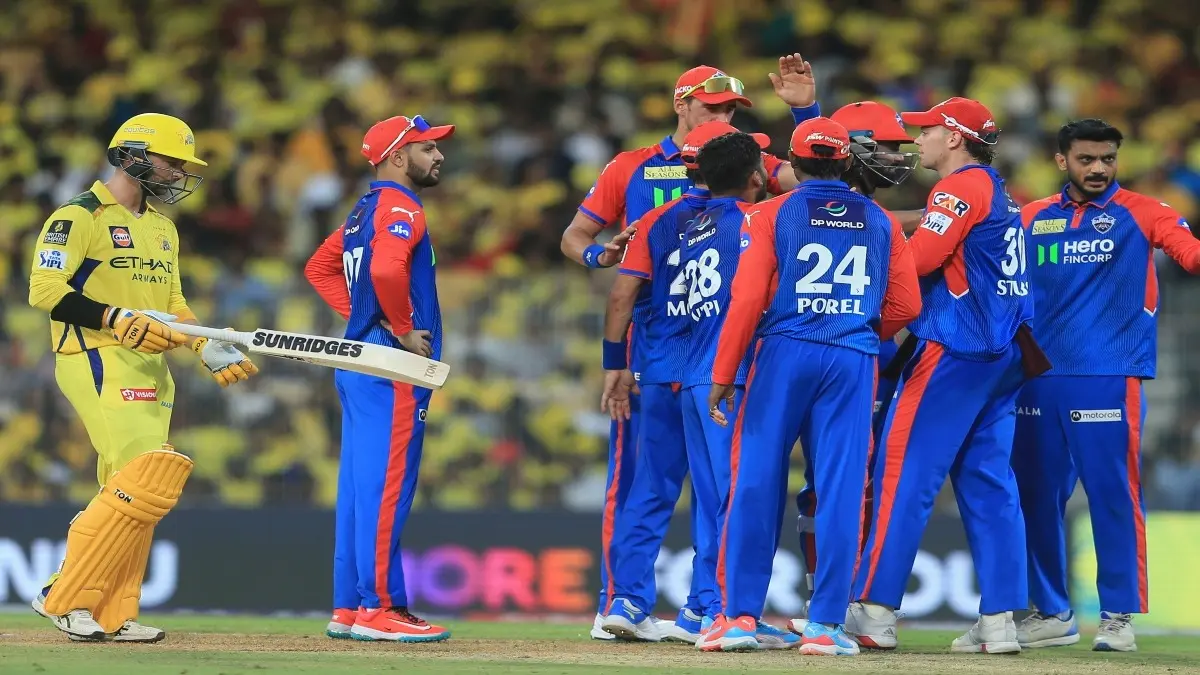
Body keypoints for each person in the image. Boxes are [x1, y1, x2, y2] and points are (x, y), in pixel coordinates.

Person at [565, 55, 820, 640]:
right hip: (704, 361)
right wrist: (597, 255)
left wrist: (807, 111)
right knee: (696, 487)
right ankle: (674, 605)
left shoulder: (662, 216)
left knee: (655, 486)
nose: (727, 116)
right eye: (715, 106)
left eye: (733, 108)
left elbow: (819, 176)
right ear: (682, 103)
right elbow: (826, 195)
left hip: (656, 356)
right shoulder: (635, 169)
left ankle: (649, 605)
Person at [28, 113, 259, 643]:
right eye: (172, 161)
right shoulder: (76, 216)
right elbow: (44, 292)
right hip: (96, 353)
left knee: (137, 488)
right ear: (130, 155)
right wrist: (115, 318)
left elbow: (171, 304)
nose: (180, 174)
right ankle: (63, 593)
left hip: (153, 365)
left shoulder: (162, 228)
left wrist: (206, 343)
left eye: (183, 165)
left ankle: (114, 610)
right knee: (142, 477)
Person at [703, 118, 921, 654]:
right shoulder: (881, 220)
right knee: (842, 490)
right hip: (851, 358)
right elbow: (907, 306)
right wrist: (861, 331)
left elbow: (749, 299)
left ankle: (740, 619)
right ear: (846, 162)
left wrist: (724, 373)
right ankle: (824, 626)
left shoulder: (772, 213)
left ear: (793, 165)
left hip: (783, 353)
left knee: (755, 480)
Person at [848, 98, 1050, 654]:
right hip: (1004, 352)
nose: (918, 139)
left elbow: (919, 261)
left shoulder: (958, 188)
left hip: (956, 347)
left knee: (902, 474)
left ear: (955, 138)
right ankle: (1000, 622)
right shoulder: (997, 189)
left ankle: (874, 611)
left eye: (928, 130)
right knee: (990, 484)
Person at [1011, 119, 1200, 652]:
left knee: (1112, 494)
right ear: (1061, 161)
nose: (1098, 168)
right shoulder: (1029, 219)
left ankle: (1117, 616)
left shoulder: (1146, 212)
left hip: (1109, 374)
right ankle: (1050, 611)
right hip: (1038, 379)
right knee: (1036, 498)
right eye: (1087, 159)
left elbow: (1190, 253)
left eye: (1108, 159)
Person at [304, 114, 453, 643]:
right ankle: (382, 608)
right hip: (392, 366)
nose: (438, 156)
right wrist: (401, 327)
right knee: (386, 489)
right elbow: (388, 272)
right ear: (397, 156)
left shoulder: (361, 211)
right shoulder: (402, 207)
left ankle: (350, 605)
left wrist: (363, 320)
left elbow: (319, 268)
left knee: (359, 489)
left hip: (361, 359)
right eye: (427, 148)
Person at [790, 101, 920, 631]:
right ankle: (831, 598)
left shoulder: (876, 216)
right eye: (886, 148)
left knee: (856, 484)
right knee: (829, 485)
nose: (896, 159)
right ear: (855, 150)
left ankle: (851, 600)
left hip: (866, 360)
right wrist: (807, 110)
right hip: (848, 358)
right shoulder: (805, 204)